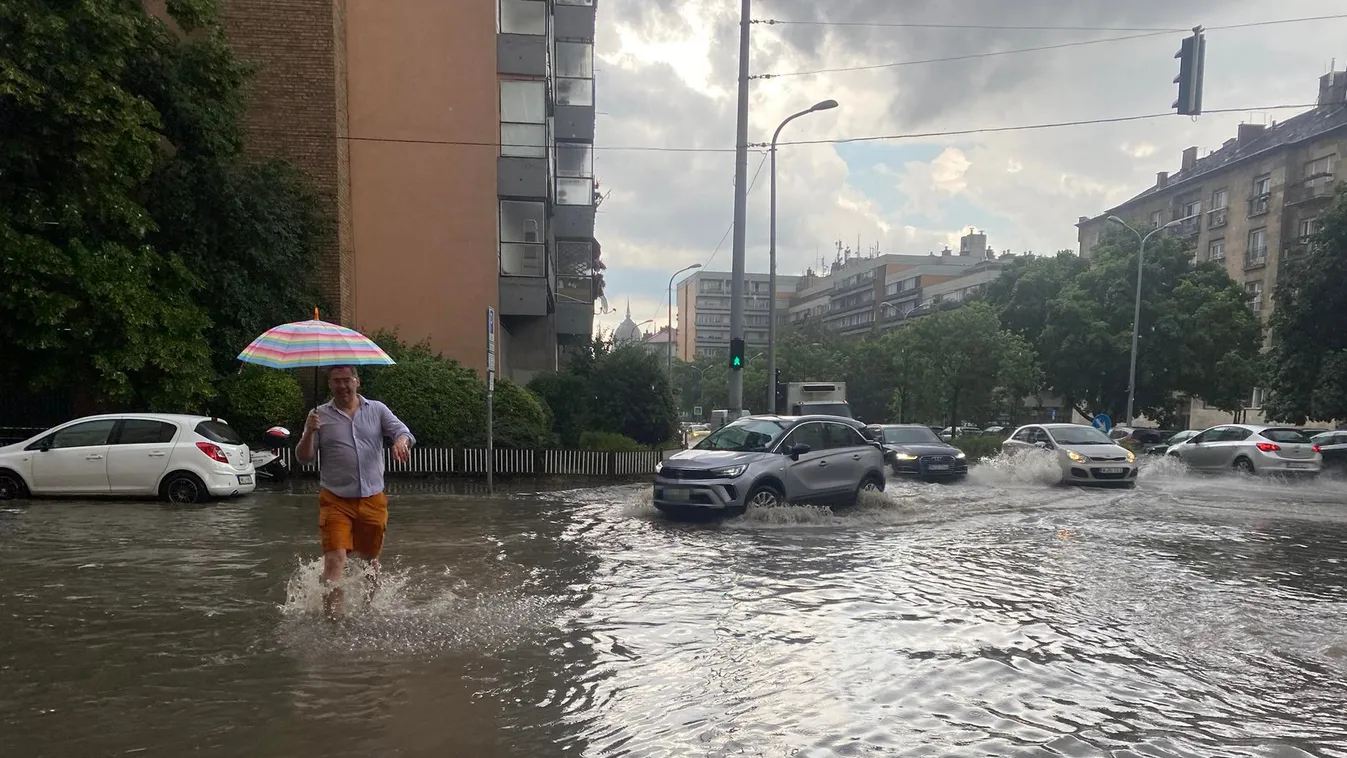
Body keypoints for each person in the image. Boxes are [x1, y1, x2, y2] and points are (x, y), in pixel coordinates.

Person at [295, 365, 414, 618]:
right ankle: (333, 621)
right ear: (329, 385)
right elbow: (304, 458)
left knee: (368, 561)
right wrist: (308, 431)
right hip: (335, 500)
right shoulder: (318, 416)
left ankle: (368, 610)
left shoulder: (377, 410)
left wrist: (400, 442)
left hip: (372, 499)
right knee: (335, 559)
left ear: (357, 381)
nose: (342, 386)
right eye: (336, 381)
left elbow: (402, 431)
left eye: (346, 380)